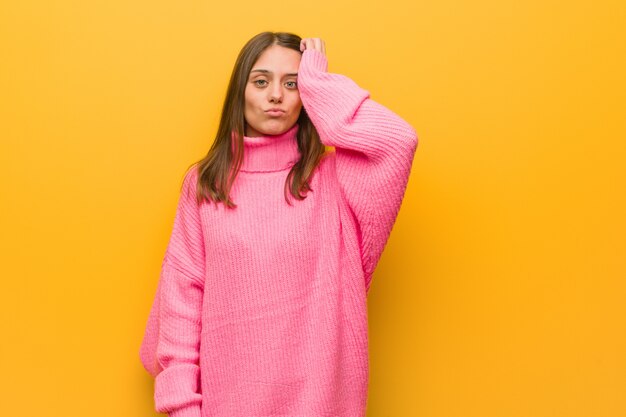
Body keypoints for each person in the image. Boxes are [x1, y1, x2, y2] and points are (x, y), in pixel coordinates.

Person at [139, 32, 419, 417]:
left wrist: (319, 84)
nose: (276, 95)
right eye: (261, 81)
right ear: (240, 93)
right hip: (227, 404)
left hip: (322, 405)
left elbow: (399, 142)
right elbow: (182, 298)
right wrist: (182, 406)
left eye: (291, 83)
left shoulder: (336, 180)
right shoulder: (206, 183)